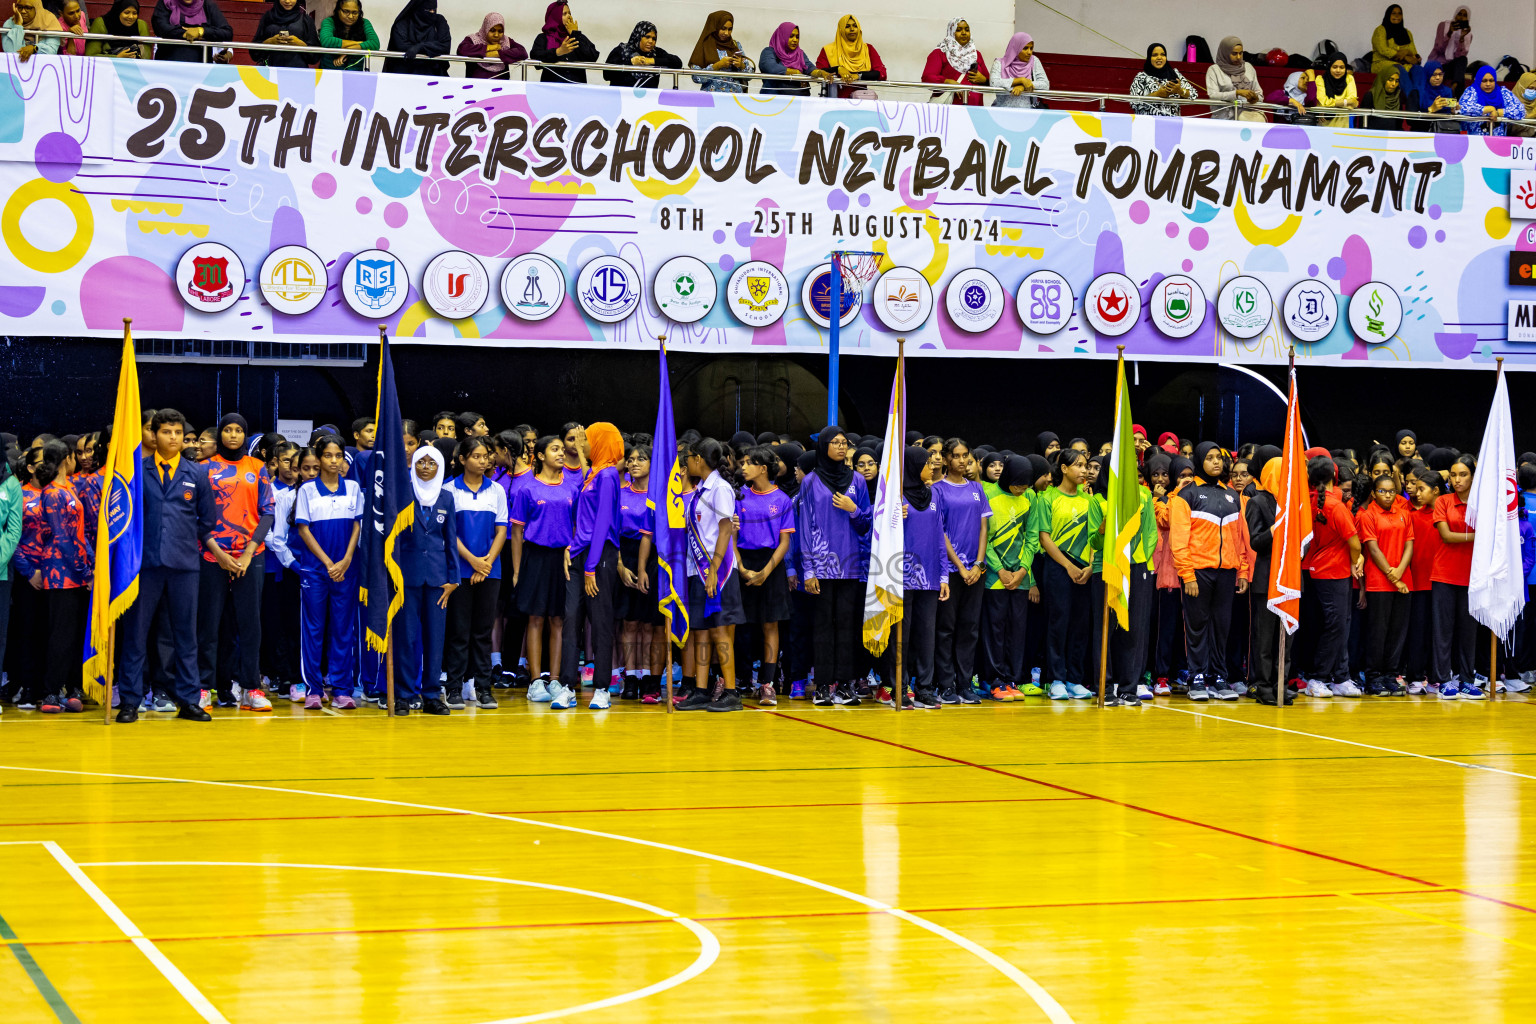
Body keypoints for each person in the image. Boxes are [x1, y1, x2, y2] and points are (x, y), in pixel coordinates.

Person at [116, 410, 217, 723]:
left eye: (178, 432)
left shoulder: (196, 473)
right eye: (166, 432)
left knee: (185, 635)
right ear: (153, 435)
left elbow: (208, 519)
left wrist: (182, 538)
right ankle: (131, 700)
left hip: (184, 564)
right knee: (136, 634)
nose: (173, 438)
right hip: (144, 564)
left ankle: (187, 700)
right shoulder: (136, 470)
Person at [198, 414, 275, 711]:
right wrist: (219, 553)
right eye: (228, 430)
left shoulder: (256, 468)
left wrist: (246, 553)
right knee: (209, 624)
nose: (233, 435)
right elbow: (197, 515)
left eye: (239, 430)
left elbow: (268, 512)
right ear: (220, 434)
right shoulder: (204, 468)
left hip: (250, 556)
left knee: (250, 624)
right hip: (212, 555)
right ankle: (204, 687)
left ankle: (250, 688)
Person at [1170, 442, 1254, 701]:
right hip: (1198, 572)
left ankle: (1218, 677)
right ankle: (1196, 677)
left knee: (1221, 626)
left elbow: (1240, 539)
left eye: (1219, 457)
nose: (1216, 462)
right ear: (1198, 461)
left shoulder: (1231, 495)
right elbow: (1179, 540)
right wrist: (1188, 575)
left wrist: (1242, 571)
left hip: (1227, 573)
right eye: (1209, 458)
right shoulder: (1187, 495)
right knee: (1196, 627)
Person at [796, 425, 872, 707]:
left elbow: (866, 526)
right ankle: (823, 686)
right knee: (822, 626)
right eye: (836, 442)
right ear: (824, 446)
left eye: (844, 442)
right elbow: (804, 527)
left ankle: (844, 685)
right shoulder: (810, 482)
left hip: (850, 566)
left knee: (846, 626)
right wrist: (809, 569)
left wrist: (854, 510)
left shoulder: (858, 481)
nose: (841, 447)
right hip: (821, 566)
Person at [13, 440, 91, 714]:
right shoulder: (53, 494)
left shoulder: (68, 488)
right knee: (60, 634)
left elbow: (79, 533)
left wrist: (89, 565)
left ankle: (70, 687)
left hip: (75, 572)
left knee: (72, 633)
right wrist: (83, 570)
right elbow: (61, 537)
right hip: (60, 572)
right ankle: (49, 691)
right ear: (66, 459)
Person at [675, 438, 747, 712]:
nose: (688, 463)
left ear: (699, 460)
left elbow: (725, 529)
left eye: (690, 458)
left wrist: (714, 569)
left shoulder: (721, 488)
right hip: (698, 569)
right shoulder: (701, 489)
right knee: (701, 631)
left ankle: (731, 692)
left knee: (719, 631)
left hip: (718, 571)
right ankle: (702, 690)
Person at [292, 434, 363, 710]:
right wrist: (328, 563)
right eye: (328, 456)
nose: (334, 461)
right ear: (319, 458)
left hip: (346, 570)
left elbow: (357, 526)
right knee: (313, 629)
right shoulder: (307, 490)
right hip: (315, 570)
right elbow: (303, 529)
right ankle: (313, 689)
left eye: (339, 456)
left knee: (344, 629)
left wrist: (345, 560)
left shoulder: (354, 488)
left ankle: (343, 690)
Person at [555, 422, 622, 711]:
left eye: (587, 439)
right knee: (571, 619)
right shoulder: (593, 474)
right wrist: (571, 548)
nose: (582, 443)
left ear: (600, 442)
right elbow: (585, 505)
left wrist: (592, 566)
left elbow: (603, 522)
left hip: (600, 555)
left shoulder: (608, 476)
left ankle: (602, 688)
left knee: (600, 622)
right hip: (579, 554)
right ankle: (568, 686)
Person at [509, 435, 576, 698]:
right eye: (555, 449)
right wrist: (516, 570)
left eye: (562, 449)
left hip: (561, 558)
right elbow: (516, 532)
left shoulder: (571, 488)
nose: (561, 453)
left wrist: (570, 550)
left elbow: (575, 525)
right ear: (539, 456)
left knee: (557, 619)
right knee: (535, 618)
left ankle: (555, 679)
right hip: (534, 557)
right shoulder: (527, 489)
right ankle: (535, 682)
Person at [443, 436, 506, 711]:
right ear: (462, 459)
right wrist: (472, 561)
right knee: (458, 631)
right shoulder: (448, 491)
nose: (483, 461)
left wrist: (487, 562)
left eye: (486, 456)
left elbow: (501, 529)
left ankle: (483, 688)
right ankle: (454, 688)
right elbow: (449, 534)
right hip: (460, 571)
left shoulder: (497, 491)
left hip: (490, 572)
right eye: (477, 456)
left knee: (482, 632)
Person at [396, 445, 457, 716]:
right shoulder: (403, 494)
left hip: (437, 579)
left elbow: (451, 540)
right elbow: (394, 540)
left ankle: (432, 695)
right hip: (406, 577)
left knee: (435, 639)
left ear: (440, 468)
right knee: (406, 637)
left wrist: (453, 578)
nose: (426, 467)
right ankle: (403, 695)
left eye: (432, 463)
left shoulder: (446, 497)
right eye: (422, 462)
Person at [735, 446, 794, 706]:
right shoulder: (739, 497)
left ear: (763, 468)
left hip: (771, 565)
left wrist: (765, 572)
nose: (744, 467)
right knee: (738, 625)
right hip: (743, 563)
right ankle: (736, 678)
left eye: (750, 463)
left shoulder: (782, 499)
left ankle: (767, 683)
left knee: (770, 625)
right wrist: (740, 567)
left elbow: (784, 542)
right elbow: (730, 538)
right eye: (743, 463)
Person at [932, 437, 989, 704]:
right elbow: (940, 531)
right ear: (944, 459)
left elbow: (983, 527)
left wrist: (978, 564)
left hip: (975, 571)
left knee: (969, 627)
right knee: (946, 628)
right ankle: (945, 684)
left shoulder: (977, 488)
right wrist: (960, 567)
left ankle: (965, 683)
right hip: (950, 571)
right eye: (955, 455)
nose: (962, 460)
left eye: (965, 455)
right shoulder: (937, 489)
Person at [981, 455, 1034, 701]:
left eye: (1025, 485)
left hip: (1020, 577)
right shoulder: (988, 495)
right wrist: (1000, 570)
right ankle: (995, 680)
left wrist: (1022, 570)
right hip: (995, 577)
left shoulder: (1029, 499)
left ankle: (1013, 679)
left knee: (1018, 629)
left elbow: (1032, 537)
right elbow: (984, 538)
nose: (1021, 489)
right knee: (995, 629)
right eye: (1018, 484)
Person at [1431, 455, 1484, 698]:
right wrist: (1480, 536)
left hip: (1473, 576)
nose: (1457, 479)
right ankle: (1443, 680)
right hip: (1444, 574)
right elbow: (1447, 536)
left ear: (1473, 476)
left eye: (1463, 474)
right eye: (1453, 475)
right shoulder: (1443, 501)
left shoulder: (1482, 503)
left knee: (1468, 631)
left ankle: (1466, 680)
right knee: (1443, 630)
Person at [1357, 473, 1413, 695]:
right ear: (1373, 493)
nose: (1388, 495)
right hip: (1380, 582)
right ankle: (1373, 677)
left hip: (1404, 581)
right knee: (1377, 632)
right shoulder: (1368, 515)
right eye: (1382, 491)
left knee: (1397, 632)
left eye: (1391, 491)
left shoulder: (1403, 513)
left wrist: (1400, 575)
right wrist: (1393, 577)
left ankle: (1391, 675)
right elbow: (1372, 548)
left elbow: (1409, 545)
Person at [816, 15, 885, 99]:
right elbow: (818, 72)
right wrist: (838, 69)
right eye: (847, 26)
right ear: (841, 30)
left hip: (861, 101)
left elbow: (881, 73)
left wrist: (858, 75)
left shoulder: (867, 49)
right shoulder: (828, 50)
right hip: (834, 102)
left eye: (855, 26)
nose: (852, 29)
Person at [922, 18, 988, 106]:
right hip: (949, 110)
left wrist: (984, 80)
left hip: (975, 111)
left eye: (967, 30)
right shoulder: (940, 53)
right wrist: (947, 82)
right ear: (951, 32)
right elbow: (927, 78)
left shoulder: (976, 54)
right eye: (958, 30)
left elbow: (991, 81)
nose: (964, 33)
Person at [529, 2, 597, 84]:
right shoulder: (543, 37)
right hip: (551, 88)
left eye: (569, 13)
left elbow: (592, 56)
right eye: (564, 14)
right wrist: (558, 52)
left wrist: (575, 34)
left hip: (576, 89)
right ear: (555, 17)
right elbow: (535, 58)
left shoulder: (576, 36)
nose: (569, 16)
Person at [603, 20, 681, 89]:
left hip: (647, 101)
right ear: (638, 36)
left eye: (654, 38)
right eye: (647, 37)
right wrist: (630, 63)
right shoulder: (621, 50)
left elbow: (677, 63)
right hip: (623, 100)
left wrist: (650, 61)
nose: (651, 41)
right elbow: (606, 75)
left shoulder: (656, 52)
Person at [381, 0, 448, 76]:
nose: (432, 13)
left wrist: (419, 47)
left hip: (433, 75)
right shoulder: (403, 24)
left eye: (434, 10)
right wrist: (431, 49)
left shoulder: (439, 21)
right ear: (418, 8)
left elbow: (445, 46)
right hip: (404, 75)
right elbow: (402, 47)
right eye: (428, 10)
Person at [151, 0, 232, 62]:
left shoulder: (207, 5)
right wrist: (185, 34)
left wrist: (201, 31)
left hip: (200, 67)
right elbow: (160, 27)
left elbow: (227, 32)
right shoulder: (166, 3)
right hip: (168, 63)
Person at [688, 10, 748, 94]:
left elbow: (750, 76)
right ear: (714, 27)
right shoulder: (704, 46)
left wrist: (741, 65)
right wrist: (717, 65)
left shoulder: (735, 45)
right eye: (723, 28)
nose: (726, 33)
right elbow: (696, 78)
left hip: (735, 99)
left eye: (730, 29)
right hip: (712, 99)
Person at [1206, 36, 1265, 121]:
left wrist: (1255, 98)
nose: (1238, 57)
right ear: (1225, 53)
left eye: (1240, 53)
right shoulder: (1214, 70)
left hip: (1248, 119)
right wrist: (1237, 93)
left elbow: (1260, 94)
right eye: (1234, 54)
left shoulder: (1248, 67)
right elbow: (1213, 95)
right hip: (1224, 120)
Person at [758, 22, 825, 95]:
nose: (795, 40)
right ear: (782, 36)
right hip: (774, 100)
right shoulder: (769, 52)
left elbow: (809, 66)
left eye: (797, 37)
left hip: (797, 100)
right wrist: (796, 73)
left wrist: (820, 73)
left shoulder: (799, 53)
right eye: (791, 36)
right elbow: (771, 67)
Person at [1130, 43, 1196, 116]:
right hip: (1149, 123)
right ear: (1149, 58)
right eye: (1155, 55)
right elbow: (1134, 103)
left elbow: (1193, 94)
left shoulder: (1175, 74)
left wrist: (1179, 90)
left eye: (1163, 54)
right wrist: (1157, 94)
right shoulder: (1141, 77)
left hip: (1172, 123)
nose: (1159, 58)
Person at [1295, 52, 1358, 126]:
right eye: (1334, 67)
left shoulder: (1349, 78)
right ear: (1329, 67)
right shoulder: (1320, 79)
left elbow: (1353, 102)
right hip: (1324, 125)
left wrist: (1330, 105)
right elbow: (1323, 102)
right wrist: (1346, 102)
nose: (1338, 70)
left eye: (1342, 67)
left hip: (1344, 125)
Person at [457, 12, 526, 79]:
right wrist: (488, 48)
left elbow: (523, 52)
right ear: (486, 28)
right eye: (492, 30)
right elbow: (461, 50)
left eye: (500, 31)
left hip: (502, 87)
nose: (496, 35)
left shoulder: (505, 41)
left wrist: (497, 53)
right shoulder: (473, 39)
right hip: (476, 87)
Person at [1460, 64, 1524, 135]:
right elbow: (1463, 107)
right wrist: (1488, 109)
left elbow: (1521, 110)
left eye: (1491, 80)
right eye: (1484, 81)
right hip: (1474, 140)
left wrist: (1498, 112)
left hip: (1498, 141)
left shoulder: (1503, 92)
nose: (1488, 84)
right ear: (1478, 80)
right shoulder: (1471, 91)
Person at [990, 31, 1048, 109]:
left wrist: (1023, 87)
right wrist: (1020, 80)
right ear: (1015, 48)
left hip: (1029, 114)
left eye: (1031, 48)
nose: (1029, 52)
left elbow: (1045, 84)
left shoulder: (1034, 61)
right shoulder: (999, 63)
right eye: (1025, 48)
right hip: (1002, 112)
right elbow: (993, 83)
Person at [253, 0, 318, 67]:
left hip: (298, 73)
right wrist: (269, 42)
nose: (287, 1)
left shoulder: (306, 20)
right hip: (270, 73)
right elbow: (254, 54)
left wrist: (300, 44)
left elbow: (315, 57)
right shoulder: (267, 18)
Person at [318, 0, 378, 70]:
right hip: (329, 71)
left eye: (355, 13)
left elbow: (375, 43)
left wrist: (347, 52)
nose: (350, 16)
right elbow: (327, 41)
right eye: (346, 11)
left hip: (355, 74)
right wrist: (360, 44)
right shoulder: (329, 21)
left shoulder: (364, 23)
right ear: (338, 10)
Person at [1427, 4, 1471, 92]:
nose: (1461, 17)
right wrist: (1449, 33)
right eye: (1459, 14)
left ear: (1468, 19)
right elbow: (1439, 49)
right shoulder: (1443, 26)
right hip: (1438, 63)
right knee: (1460, 79)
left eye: (1465, 16)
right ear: (1455, 15)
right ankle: (1455, 95)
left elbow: (1459, 56)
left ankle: (1454, 86)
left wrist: (1462, 38)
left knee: (1463, 59)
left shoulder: (1468, 35)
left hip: (1451, 67)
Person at [1372, 5, 1420, 74]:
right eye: (1393, 13)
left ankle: (1418, 85)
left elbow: (1413, 52)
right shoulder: (1380, 30)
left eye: (1399, 13)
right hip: (1381, 63)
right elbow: (1384, 50)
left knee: (1417, 69)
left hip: (1403, 64)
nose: (1397, 16)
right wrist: (1405, 57)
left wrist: (1407, 53)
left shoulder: (1407, 33)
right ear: (1388, 15)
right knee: (1400, 69)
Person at [1363, 64, 1412, 131]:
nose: (1393, 84)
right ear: (1383, 79)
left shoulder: (1397, 97)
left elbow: (1399, 124)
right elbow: (1362, 121)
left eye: (1396, 81)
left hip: (1392, 137)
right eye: (1390, 80)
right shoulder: (1371, 95)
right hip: (1372, 136)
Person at [1512, 71, 1536, 136]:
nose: (1533, 91)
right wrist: (1531, 116)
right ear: (1521, 87)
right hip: (1514, 143)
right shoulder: (1510, 103)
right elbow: (1511, 128)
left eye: (1535, 89)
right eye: (1530, 88)